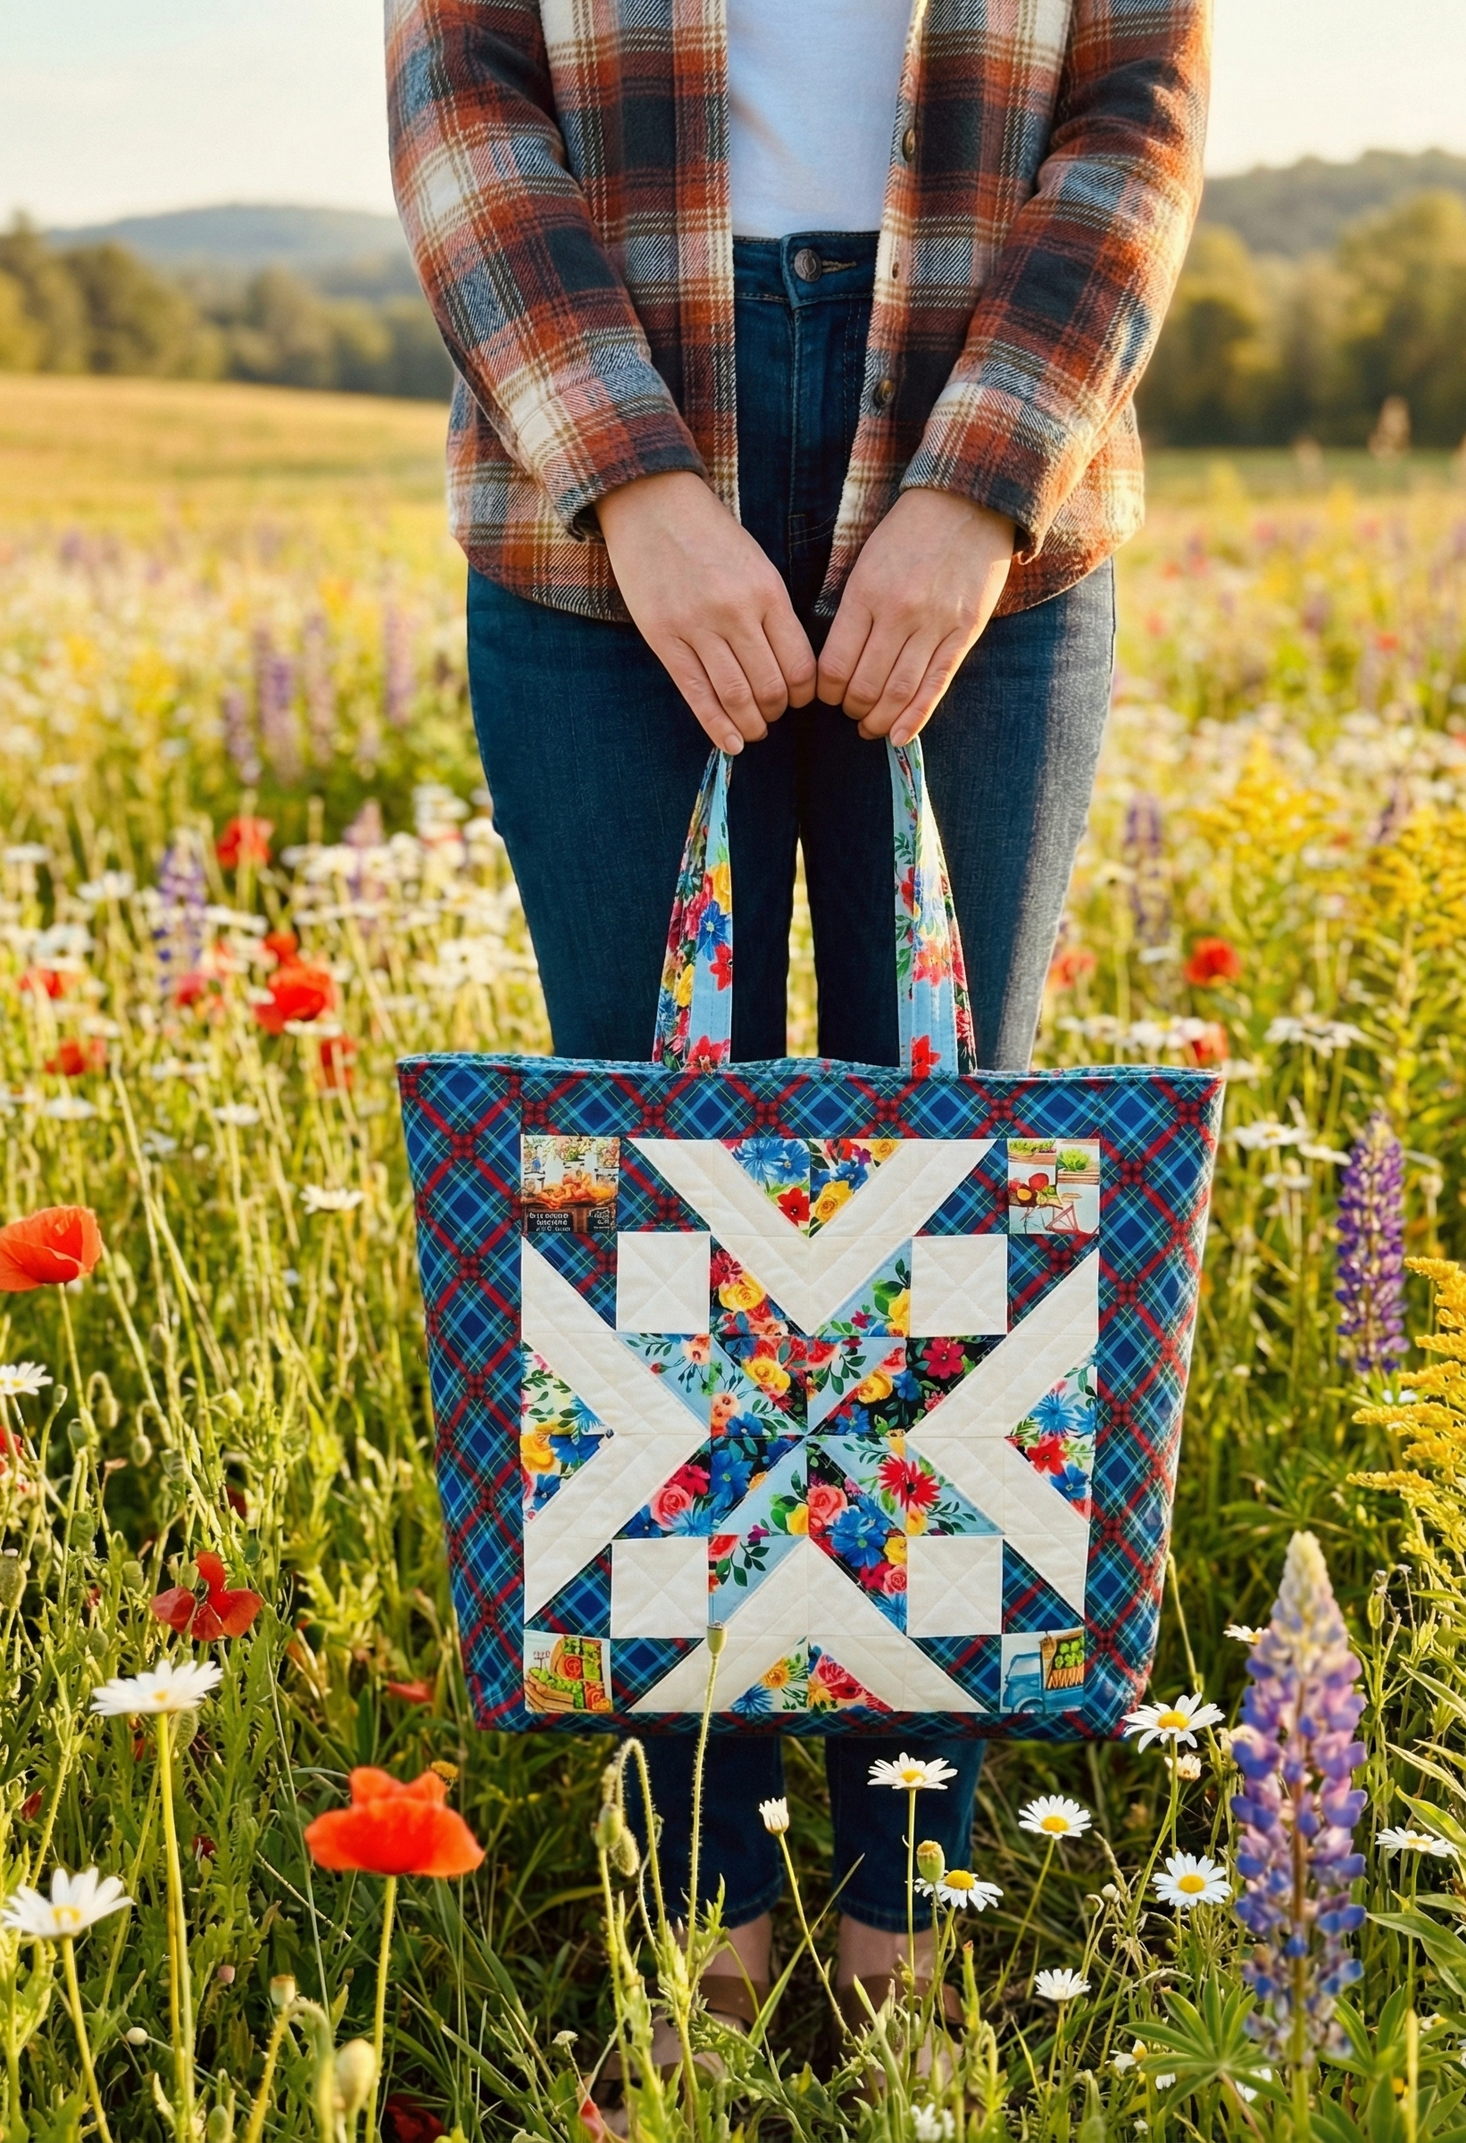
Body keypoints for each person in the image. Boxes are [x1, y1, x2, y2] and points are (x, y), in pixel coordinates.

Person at [388, 0, 1208, 2065]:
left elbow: (1138, 95)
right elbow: (458, 83)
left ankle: (902, 1919)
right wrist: (635, 482)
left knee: (958, 1259)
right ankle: (708, 1911)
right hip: (604, 434)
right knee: (657, 1248)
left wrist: (979, 481)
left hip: (984, 423)